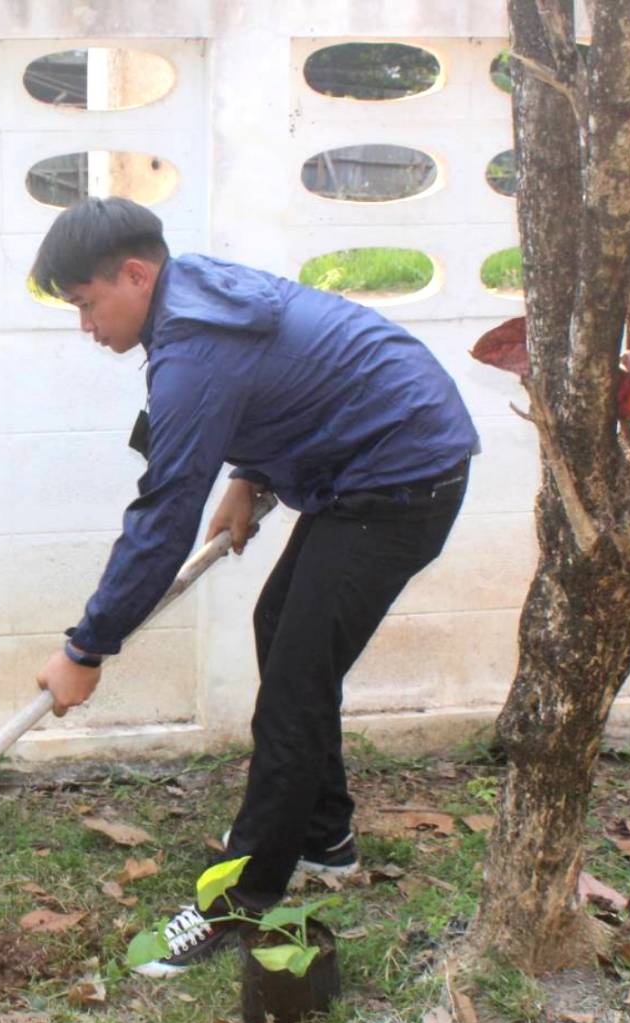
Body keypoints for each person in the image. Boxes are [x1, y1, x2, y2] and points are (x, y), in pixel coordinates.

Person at [31, 197, 479, 976]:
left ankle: (240, 900)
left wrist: (88, 645)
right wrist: (250, 475)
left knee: (291, 691)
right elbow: (286, 380)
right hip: (366, 461)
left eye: (86, 303)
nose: (84, 326)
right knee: (282, 628)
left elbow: (163, 518)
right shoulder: (196, 290)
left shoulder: (195, 345)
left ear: (135, 274)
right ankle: (324, 836)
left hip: (399, 477)